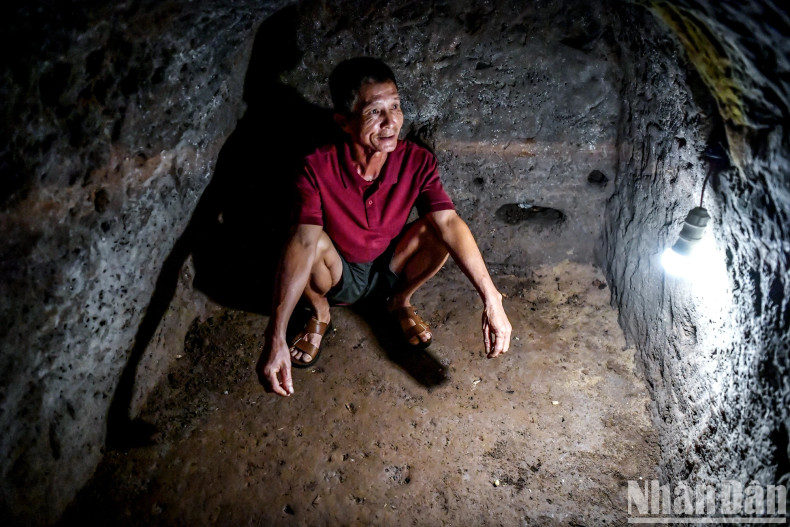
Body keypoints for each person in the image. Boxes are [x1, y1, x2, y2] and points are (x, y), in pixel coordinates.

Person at [260, 57, 512, 397]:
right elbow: (303, 243)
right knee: (307, 240)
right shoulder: (317, 166)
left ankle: (400, 301)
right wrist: (275, 336)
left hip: (388, 268)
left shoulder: (415, 161)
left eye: (395, 106)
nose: (390, 121)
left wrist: (491, 298)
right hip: (339, 273)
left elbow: (449, 222)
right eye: (374, 111)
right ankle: (321, 311)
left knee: (437, 231)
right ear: (344, 122)